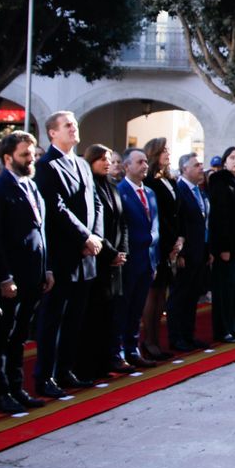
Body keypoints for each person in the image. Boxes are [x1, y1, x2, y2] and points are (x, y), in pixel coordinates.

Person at [34, 111, 103, 398]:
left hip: (86, 255)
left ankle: (65, 370)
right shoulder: (47, 166)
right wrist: (84, 236)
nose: (74, 129)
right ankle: (45, 375)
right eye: (67, 126)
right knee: (54, 318)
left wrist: (96, 235)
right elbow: (56, 208)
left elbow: (95, 201)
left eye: (74, 125)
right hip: (63, 253)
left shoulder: (82, 165)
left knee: (76, 317)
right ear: (52, 133)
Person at [0, 131, 48, 414]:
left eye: (33, 153)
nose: (31, 159)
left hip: (34, 274)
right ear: (9, 157)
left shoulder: (30, 185)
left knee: (20, 337)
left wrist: (46, 268)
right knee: (5, 338)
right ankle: (2, 393)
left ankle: (17, 387)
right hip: (12, 279)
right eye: (25, 155)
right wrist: (5, 277)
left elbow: (39, 230)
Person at [84, 145, 128, 376]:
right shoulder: (89, 187)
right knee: (95, 315)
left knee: (112, 313)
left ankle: (108, 359)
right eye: (101, 159)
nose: (107, 162)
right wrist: (110, 253)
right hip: (98, 259)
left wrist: (123, 251)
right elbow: (94, 227)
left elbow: (122, 222)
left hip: (115, 260)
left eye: (109, 158)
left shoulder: (113, 187)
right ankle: (91, 364)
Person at [117, 147, 161, 365]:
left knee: (137, 309)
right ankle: (120, 352)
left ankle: (133, 349)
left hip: (147, 260)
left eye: (145, 161)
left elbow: (155, 228)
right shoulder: (120, 191)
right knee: (124, 308)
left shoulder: (150, 192)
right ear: (127, 166)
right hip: (129, 260)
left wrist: (156, 260)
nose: (145, 165)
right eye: (139, 162)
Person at [206, 146, 235, 344]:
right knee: (224, 289)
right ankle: (223, 329)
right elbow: (220, 216)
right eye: (232, 158)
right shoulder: (219, 180)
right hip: (227, 246)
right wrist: (223, 247)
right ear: (224, 161)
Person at [142, 138, 181, 360]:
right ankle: (148, 340)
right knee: (153, 294)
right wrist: (168, 244)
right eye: (164, 151)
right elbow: (159, 216)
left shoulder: (169, 180)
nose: (167, 154)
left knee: (162, 295)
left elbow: (176, 213)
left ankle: (156, 338)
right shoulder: (150, 182)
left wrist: (179, 240)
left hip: (172, 243)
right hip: (159, 244)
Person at [167, 153, 210, 352]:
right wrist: (180, 254)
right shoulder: (180, 189)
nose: (201, 168)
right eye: (196, 165)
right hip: (186, 253)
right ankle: (176, 337)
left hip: (199, 251)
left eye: (201, 165)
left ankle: (188, 334)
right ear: (184, 169)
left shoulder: (198, 191)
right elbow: (179, 223)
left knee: (192, 295)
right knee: (180, 296)